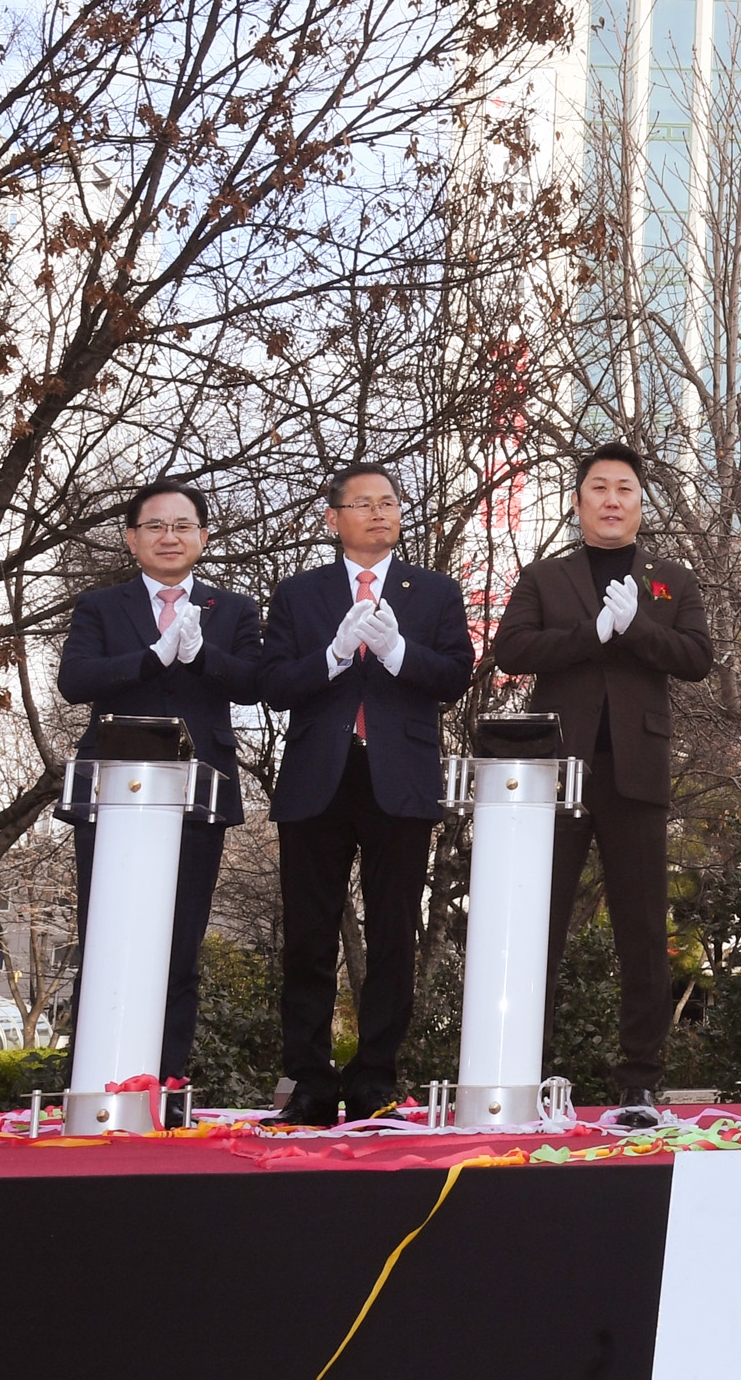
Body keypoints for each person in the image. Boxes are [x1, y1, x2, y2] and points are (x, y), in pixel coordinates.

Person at [487, 443, 714, 1121]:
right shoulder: (546, 576)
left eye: (625, 489)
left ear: (642, 503)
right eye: (599, 488)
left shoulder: (672, 577)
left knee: (643, 931)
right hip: (557, 769)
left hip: (636, 770)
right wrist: (594, 632)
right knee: (539, 923)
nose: (612, 500)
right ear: (579, 500)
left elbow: (697, 658)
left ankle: (639, 1079)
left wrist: (637, 626)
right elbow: (512, 650)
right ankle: (525, 1068)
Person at [257, 463, 475, 1124]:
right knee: (309, 935)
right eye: (363, 504)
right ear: (333, 519)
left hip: (397, 777)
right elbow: (274, 683)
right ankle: (310, 1079)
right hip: (319, 777)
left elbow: (455, 675)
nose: (380, 513)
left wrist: (398, 650)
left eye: (389, 503)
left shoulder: (434, 591)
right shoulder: (300, 594)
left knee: (391, 934)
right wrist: (332, 656)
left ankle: (376, 1075)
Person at [55, 478, 264, 1090]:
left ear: (203, 536)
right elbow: (76, 679)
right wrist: (153, 655)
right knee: (103, 936)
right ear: (131, 538)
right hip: (112, 794)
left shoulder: (235, 610)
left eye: (182, 526)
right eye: (155, 527)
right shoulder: (101, 605)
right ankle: (88, 1084)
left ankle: (165, 1085)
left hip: (197, 794)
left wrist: (200, 654)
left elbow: (256, 684)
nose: (169, 537)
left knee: (181, 942)